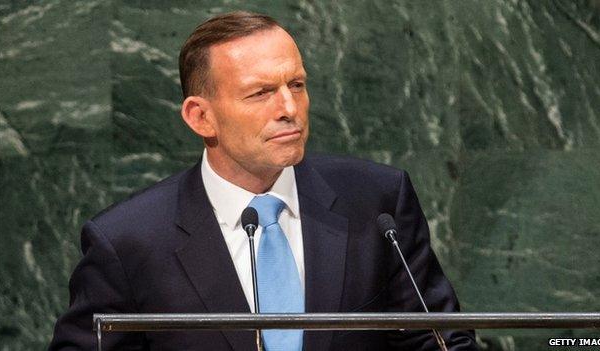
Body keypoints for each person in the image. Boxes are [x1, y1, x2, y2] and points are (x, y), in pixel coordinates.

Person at [50, 11, 478, 350]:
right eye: (260, 93)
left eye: (296, 84)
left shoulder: (376, 203)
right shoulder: (128, 241)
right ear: (201, 117)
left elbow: (441, 340)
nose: (290, 107)